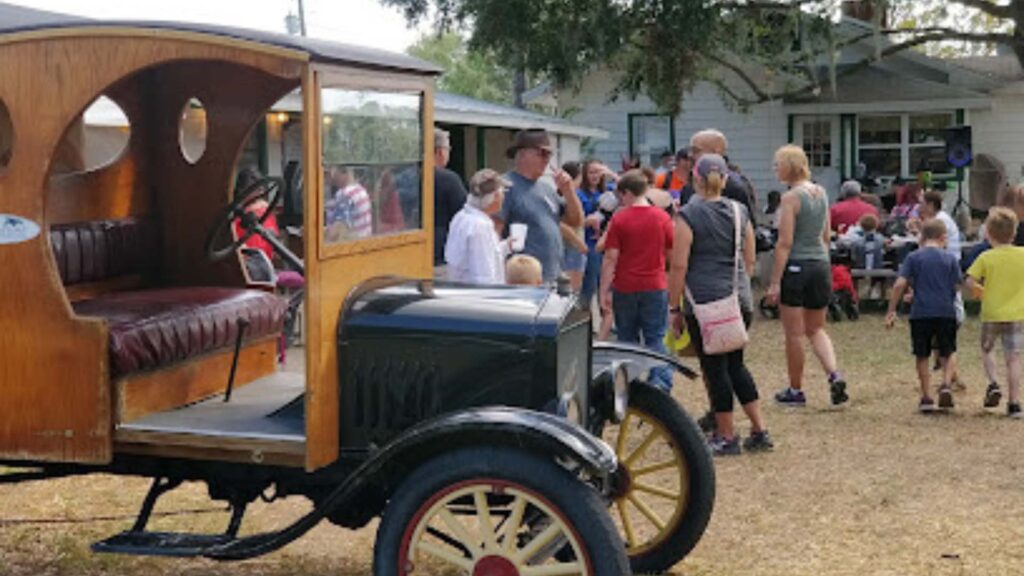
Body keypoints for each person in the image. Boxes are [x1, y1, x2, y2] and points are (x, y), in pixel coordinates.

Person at [669, 153, 771, 456]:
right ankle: (759, 428)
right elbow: (749, 256)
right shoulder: (740, 211)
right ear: (725, 179)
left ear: (695, 179)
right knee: (736, 365)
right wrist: (739, 285)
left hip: (704, 302)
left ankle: (726, 435)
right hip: (738, 299)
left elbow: (679, 266)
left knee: (715, 370)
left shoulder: (687, 215)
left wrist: (674, 307)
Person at [766, 145, 849, 407]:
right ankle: (834, 374)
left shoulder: (791, 198)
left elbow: (785, 242)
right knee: (816, 328)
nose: (775, 169)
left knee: (794, 333)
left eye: (777, 164)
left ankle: (795, 389)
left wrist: (775, 281)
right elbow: (826, 235)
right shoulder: (821, 193)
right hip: (820, 264)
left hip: (797, 266)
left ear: (789, 166)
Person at [599, 170, 675, 390]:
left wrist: (604, 290)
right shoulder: (662, 217)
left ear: (627, 193)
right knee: (655, 338)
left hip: (626, 286)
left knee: (627, 339)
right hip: (655, 284)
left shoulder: (620, 218)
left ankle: (627, 383)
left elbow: (610, 257)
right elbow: (670, 251)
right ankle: (660, 383)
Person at [885, 219, 963, 413]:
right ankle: (946, 384)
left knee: (922, 354)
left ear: (922, 237)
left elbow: (899, 284)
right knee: (949, 351)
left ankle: (926, 396)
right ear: (943, 238)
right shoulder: (950, 259)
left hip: (921, 313)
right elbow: (957, 285)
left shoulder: (913, 258)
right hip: (945, 311)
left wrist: (892, 309)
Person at [496, 128, 584, 283]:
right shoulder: (506, 186)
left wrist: (569, 191)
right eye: (542, 153)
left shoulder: (546, 189)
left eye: (549, 154)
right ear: (522, 153)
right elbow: (494, 232)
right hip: (523, 279)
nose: (547, 160)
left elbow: (575, 221)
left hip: (552, 275)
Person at [965, 207, 1024, 418]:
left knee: (988, 349)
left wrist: (979, 292)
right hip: (1018, 313)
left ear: (988, 232)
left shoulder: (986, 257)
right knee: (1014, 357)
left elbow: (970, 280)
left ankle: (993, 382)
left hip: (992, 312)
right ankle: (1015, 402)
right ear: (1014, 233)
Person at [444, 169, 512, 285]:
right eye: (503, 192)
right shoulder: (479, 226)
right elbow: (483, 275)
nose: (504, 197)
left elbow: (482, 255)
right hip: (479, 297)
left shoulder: (461, 217)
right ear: (495, 196)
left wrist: (506, 246)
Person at [679, 130, 753, 216]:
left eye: (696, 151)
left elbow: (748, 223)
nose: (690, 155)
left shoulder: (736, 187)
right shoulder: (688, 187)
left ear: (716, 152)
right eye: (690, 150)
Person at [433, 128, 469, 267]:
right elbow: (464, 216)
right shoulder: (449, 180)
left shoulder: (403, 177)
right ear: (440, 152)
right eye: (448, 149)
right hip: (441, 257)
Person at [232, 167, 280, 261]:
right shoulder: (236, 219)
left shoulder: (265, 212)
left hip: (261, 267)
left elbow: (274, 251)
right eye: (256, 190)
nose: (259, 193)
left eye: (260, 190)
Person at [578, 160, 608, 308]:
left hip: (608, 244)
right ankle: (583, 314)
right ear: (585, 174)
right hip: (589, 243)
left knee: (607, 285)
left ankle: (606, 320)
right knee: (589, 283)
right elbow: (572, 222)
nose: (595, 176)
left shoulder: (607, 191)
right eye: (591, 172)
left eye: (598, 172)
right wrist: (586, 221)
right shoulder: (580, 194)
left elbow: (628, 186)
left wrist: (609, 173)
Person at [559, 160, 589, 293]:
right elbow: (560, 224)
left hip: (572, 247)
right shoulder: (564, 197)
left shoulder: (572, 196)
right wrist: (579, 242)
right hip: (570, 247)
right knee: (572, 291)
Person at [325, 165, 372, 241]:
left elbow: (337, 230)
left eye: (334, 171)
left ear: (344, 171)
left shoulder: (344, 194)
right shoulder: (361, 190)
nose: (332, 175)